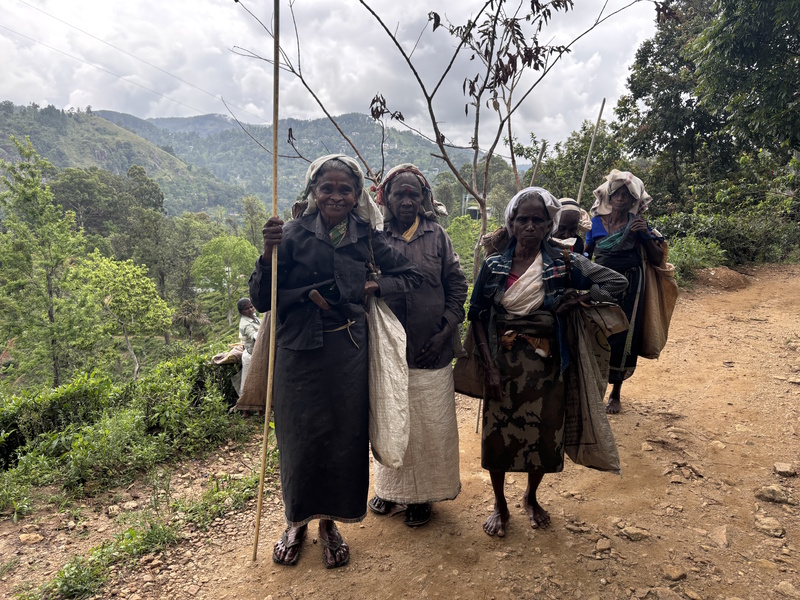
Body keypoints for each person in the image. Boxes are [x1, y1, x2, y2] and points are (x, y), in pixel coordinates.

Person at [249, 154, 423, 568]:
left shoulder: (365, 235)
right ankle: (296, 522)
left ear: (357, 194)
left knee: (343, 440)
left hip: (348, 353)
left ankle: (329, 524)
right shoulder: (289, 235)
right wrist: (266, 253)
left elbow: (412, 275)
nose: (336, 196)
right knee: (298, 440)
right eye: (327, 188)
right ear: (313, 191)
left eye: (346, 189)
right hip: (296, 355)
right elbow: (260, 298)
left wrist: (374, 285)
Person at [469, 187, 627, 537]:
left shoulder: (564, 262)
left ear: (548, 225)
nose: (529, 226)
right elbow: (477, 315)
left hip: (548, 363)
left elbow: (616, 282)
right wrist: (489, 367)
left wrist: (580, 296)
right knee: (498, 436)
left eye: (537, 220)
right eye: (522, 219)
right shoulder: (494, 265)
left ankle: (530, 497)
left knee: (544, 434)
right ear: (510, 223)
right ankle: (500, 504)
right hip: (503, 362)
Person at [368, 164, 467, 527]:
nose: (407, 200)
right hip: (387, 351)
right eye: (399, 193)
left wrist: (444, 331)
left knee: (429, 425)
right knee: (389, 419)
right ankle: (390, 490)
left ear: (424, 198)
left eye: (414, 193)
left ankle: (423, 496)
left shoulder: (437, 236)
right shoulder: (373, 237)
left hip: (433, 349)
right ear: (387, 199)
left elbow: (456, 286)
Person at [585, 170, 664, 414]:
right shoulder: (596, 222)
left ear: (634, 201)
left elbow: (657, 259)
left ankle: (616, 392)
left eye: (627, 195)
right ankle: (594, 389)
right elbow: (588, 253)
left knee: (623, 333)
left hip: (630, 284)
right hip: (600, 283)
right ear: (609, 196)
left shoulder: (638, 224)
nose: (621, 198)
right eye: (616, 193)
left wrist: (644, 235)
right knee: (597, 331)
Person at [236, 297, 260, 392]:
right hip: (252, 357)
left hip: (257, 354)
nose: (250, 310)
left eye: (251, 307)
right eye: (246, 309)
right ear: (241, 312)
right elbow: (255, 336)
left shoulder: (254, 317)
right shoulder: (245, 324)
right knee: (249, 387)